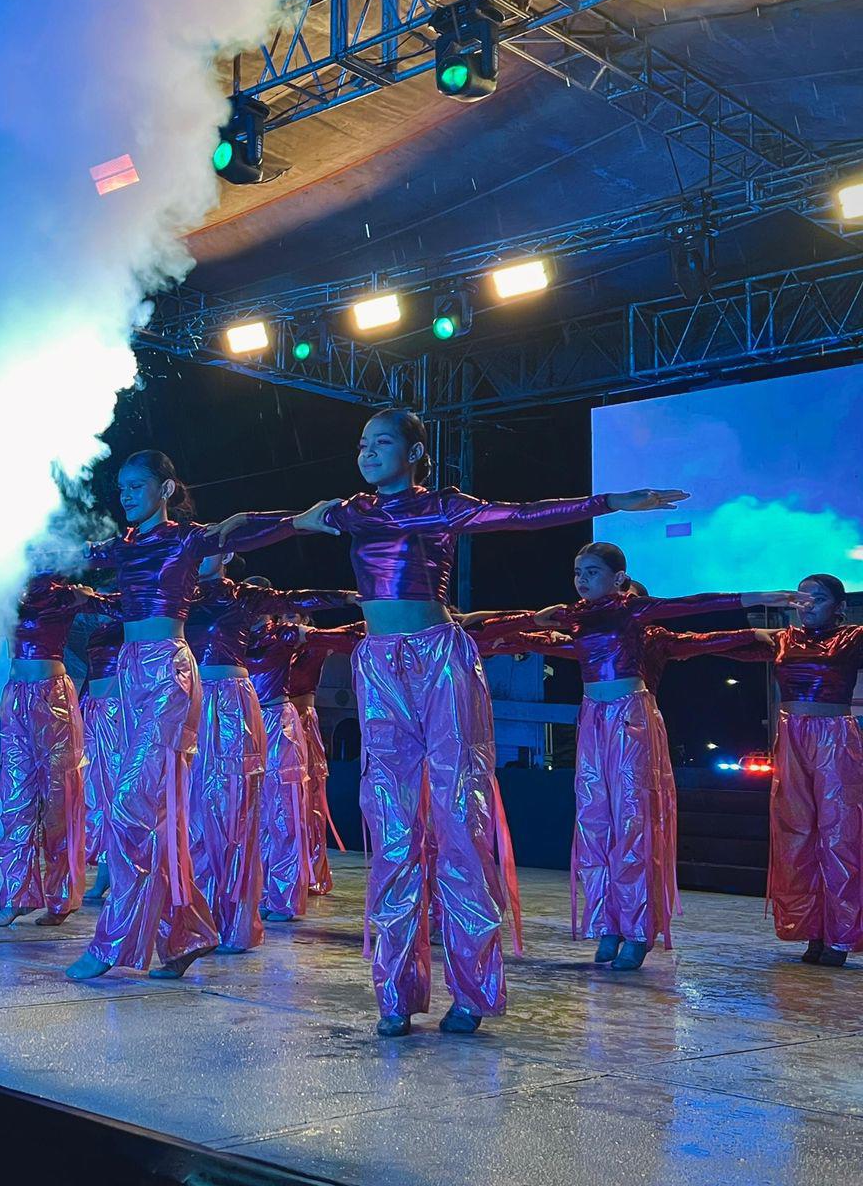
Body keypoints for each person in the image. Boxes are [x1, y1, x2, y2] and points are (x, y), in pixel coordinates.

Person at [290, 407, 688, 1036]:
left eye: (383, 442)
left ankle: (472, 990)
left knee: (458, 821)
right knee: (392, 828)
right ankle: (394, 992)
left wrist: (612, 500)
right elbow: (277, 524)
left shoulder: (442, 506)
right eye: (362, 442)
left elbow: (524, 514)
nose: (367, 451)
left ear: (415, 453)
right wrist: (304, 517)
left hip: (440, 664)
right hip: (379, 665)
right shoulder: (353, 512)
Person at [65, 449, 312, 981]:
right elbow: (73, 557)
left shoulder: (186, 539)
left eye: (137, 485)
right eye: (121, 486)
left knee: (134, 805)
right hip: (130, 677)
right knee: (157, 816)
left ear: (167, 490)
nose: (125, 494)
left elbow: (240, 528)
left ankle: (114, 941)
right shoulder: (123, 548)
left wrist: (303, 520)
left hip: (168, 676)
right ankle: (186, 934)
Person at [532, 545, 801, 969]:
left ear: (622, 581)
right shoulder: (579, 622)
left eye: (592, 572)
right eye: (577, 572)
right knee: (594, 822)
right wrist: (469, 628)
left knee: (632, 823)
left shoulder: (637, 619)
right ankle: (607, 924)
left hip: (630, 719)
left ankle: (638, 929)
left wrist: (753, 608)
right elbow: (530, 631)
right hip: (592, 719)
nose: (581, 580)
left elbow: (696, 619)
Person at [186, 559, 353, 950]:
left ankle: (284, 894)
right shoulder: (230, 633)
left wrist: (355, 602)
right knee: (209, 814)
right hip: (226, 720)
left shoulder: (287, 637)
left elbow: (339, 633)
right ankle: (212, 905)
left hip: (276, 724)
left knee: (283, 813)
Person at [700, 573, 863, 967]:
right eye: (802, 599)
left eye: (818, 599)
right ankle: (812, 930)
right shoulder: (782, 639)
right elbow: (720, 643)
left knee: (839, 834)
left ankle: (841, 936)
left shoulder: (854, 636)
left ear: (840, 606)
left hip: (834, 738)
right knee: (797, 834)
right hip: (791, 739)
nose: (807, 605)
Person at [0, 574, 114, 929]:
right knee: (15, 799)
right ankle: (16, 895)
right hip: (16, 698)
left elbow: (111, 604)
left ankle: (61, 898)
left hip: (53, 698)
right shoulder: (9, 589)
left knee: (59, 801)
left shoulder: (63, 593)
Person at [244, 614, 362, 924]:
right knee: (268, 813)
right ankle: (273, 888)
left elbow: (348, 633)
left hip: (294, 725)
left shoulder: (307, 641)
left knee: (298, 809)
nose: (285, 619)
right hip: (261, 726)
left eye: (292, 615)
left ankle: (297, 884)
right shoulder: (257, 641)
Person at [79, 619, 123, 902]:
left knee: (117, 799)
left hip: (117, 714)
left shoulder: (129, 622)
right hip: (96, 714)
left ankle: (119, 879)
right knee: (98, 801)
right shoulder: (96, 627)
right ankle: (105, 878)